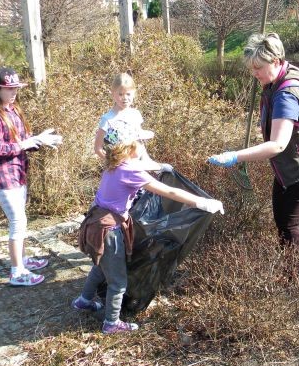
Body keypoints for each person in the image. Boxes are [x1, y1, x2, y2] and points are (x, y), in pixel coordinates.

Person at [72, 120, 224, 334]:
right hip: (110, 232)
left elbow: (138, 167)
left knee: (100, 267)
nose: (143, 145)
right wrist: (203, 203)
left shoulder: (112, 163)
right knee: (118, 282)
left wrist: (160, 166)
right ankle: (111, 323)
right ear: (130, 146)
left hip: (95, 225)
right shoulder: (130, 171)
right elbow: (168, 192)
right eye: (140, 141)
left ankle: (83, 300)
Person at [207, 33, 299, 265]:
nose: (254, 73)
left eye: (258, 67)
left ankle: (294, 278)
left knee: (287, 223)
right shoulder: (282, 74)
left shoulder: (286, 95)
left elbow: (278, 144)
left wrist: (234, 156)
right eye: (252, 68)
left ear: (275, 61)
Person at [0, 67, 63, 287]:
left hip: (18, 173)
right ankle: (17, 272)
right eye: (9, 88)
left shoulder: (14, 110)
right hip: (2, 176)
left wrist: (37, 140)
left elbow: (22, 141)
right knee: (17, 221)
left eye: (16, 87)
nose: (14, 92)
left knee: (21, 220)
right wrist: (23, 144)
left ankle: (24, 260)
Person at [94, 73, 153, 163]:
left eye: (128, 94)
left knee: (167, 170)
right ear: (113, 94)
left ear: (134, 94)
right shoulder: (108, 120)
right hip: (120, 169)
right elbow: (98, 148)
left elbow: (139, 142)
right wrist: (113, 164)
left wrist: (148, 161)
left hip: (138, 164)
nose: (125, 98)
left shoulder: (135, 115)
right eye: (120, 94)